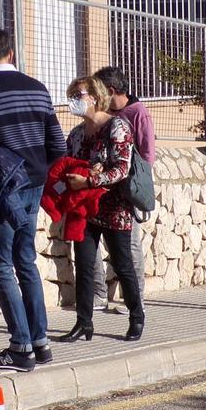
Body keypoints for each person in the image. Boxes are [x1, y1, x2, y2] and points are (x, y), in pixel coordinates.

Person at [0, 29, 66, 371]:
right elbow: (58, 145)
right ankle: (41, 341)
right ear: (11, 53)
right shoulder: (38, 88)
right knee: (26, 261)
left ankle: (20, 347)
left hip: (1, 186)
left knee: (3, 266)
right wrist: (37, 173)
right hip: (33, 184)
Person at [55, 76, 144, 341]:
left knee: (122, 264)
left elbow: (121, 168)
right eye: (71, 95)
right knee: (83, 265)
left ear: (95, 97)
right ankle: (84, 322)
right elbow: (68, 163)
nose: (73, 101)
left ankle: (136, 317)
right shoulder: (77, 133)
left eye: (78, 95)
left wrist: (91, 179)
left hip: (114, 207)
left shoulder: (118, 127)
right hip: (84, 209)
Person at [89, 66, 157, 312]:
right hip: (103, 188)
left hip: (126, 189)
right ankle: (99, 296)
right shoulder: (106, 114)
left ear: (110, 90)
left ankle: (135, 299)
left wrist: (135, 186)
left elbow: (147, 155)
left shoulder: (138, 113)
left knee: (130, 246)